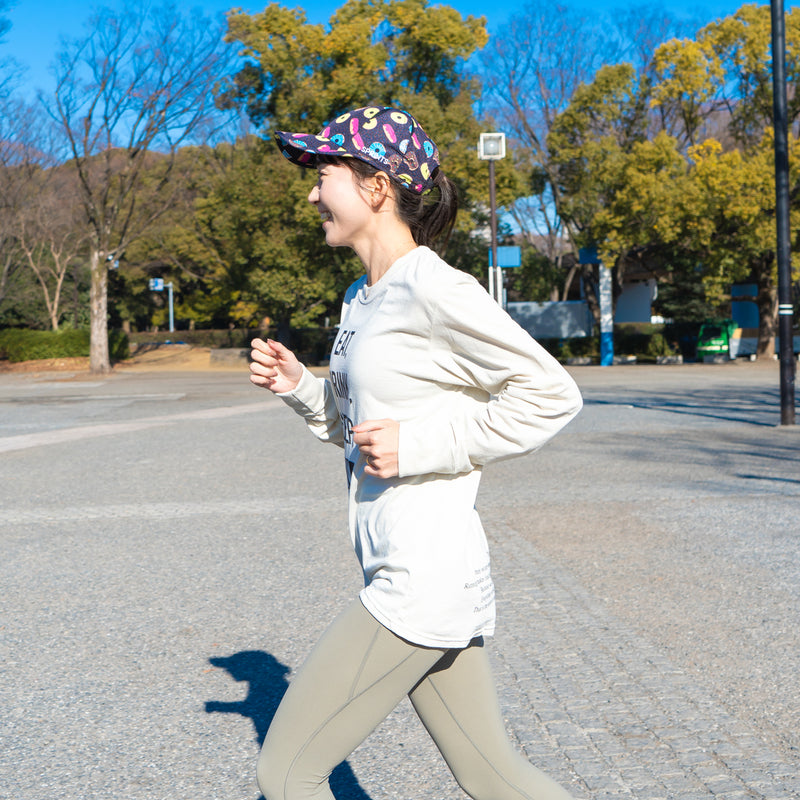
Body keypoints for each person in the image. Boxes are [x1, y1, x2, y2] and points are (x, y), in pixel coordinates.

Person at [249, 105, 582, 800]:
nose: (312, 192)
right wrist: (301, 389)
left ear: (377, 187)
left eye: (325, 172)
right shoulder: (361, 298)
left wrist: (423, 444)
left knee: (287, 774)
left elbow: (552, 395)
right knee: (494, 777)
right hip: (412, 574)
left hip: (420, 579)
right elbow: (360, 434)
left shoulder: (434, 287)